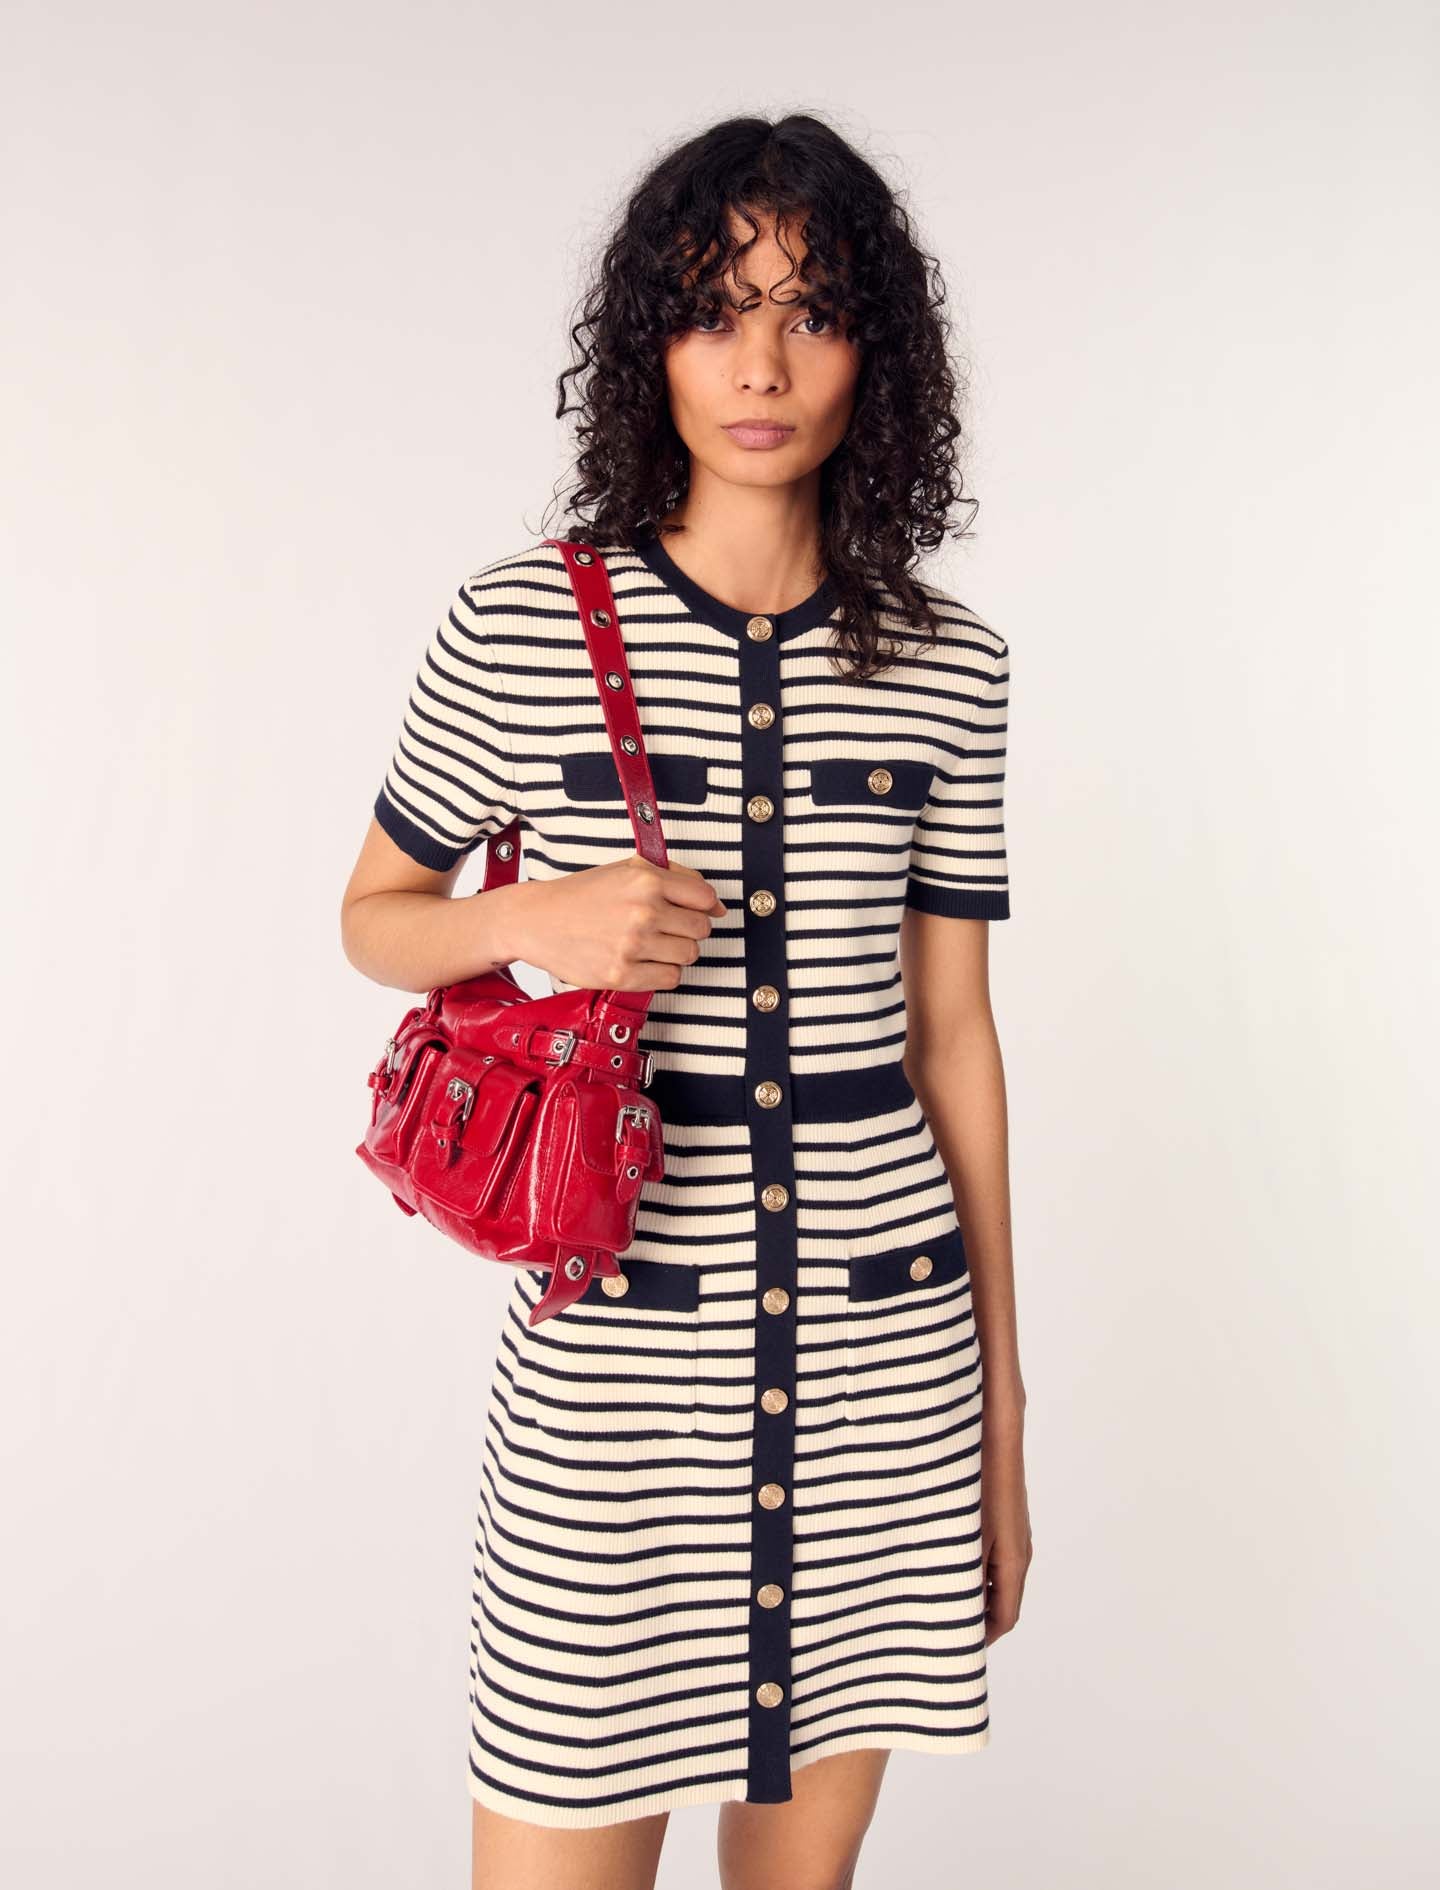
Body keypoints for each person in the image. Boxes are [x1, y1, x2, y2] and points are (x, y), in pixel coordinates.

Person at [341, 110, 1032, 1890]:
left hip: (883, 1367)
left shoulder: (949, 666)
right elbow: (373, 920)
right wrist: (537, 917)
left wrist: (1003, 1421)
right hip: (615, 1371)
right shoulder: (517, 626)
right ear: (652, 343)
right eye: (717, 312)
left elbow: (954, 1038)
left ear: (877, 352)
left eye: (813, 314)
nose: (762, 365)